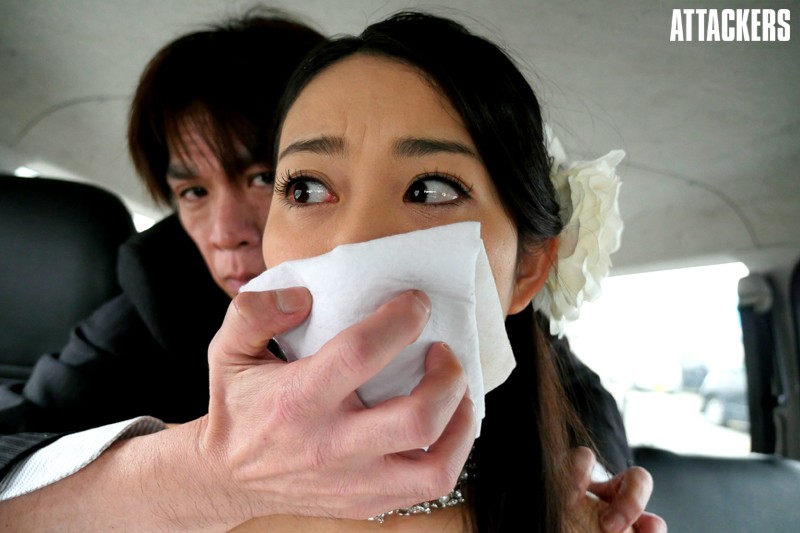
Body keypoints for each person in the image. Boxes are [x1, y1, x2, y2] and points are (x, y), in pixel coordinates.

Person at [0, 9, 663, 533]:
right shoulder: (151, 302)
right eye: (306, 187)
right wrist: (203, 472)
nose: (226, 231)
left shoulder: (492, 309)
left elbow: (570, 411)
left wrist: (581, 492)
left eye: (260, 177)